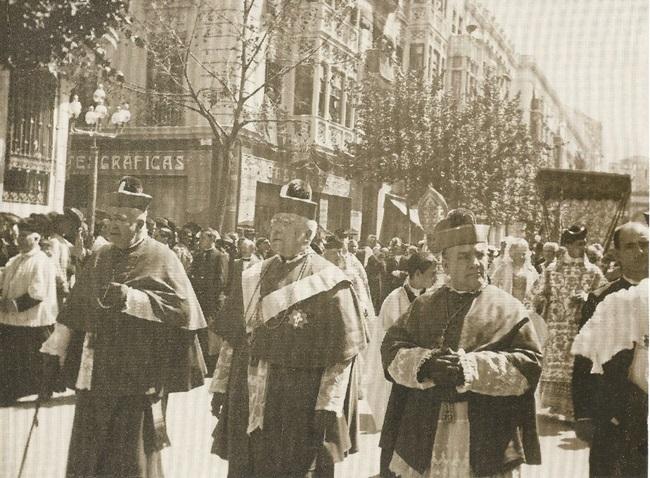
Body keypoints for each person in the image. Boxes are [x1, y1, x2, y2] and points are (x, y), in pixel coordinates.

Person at [39, 176, 207, 477]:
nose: (112, 225)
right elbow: (76, 307)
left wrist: (134, 299)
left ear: (140, 224)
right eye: (110, 218)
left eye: (121, 219)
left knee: (130, 456)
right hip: (95, 372)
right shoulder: (100, 255)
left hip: (138, 375)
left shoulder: (163, 257)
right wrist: (55, 351)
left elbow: (183, 311)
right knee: (89, 451)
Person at [210, 179, 367, 478]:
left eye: (285, 222)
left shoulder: (330, 281)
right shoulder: (253, 274)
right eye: (274, 222)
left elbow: (341, 356)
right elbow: (233, 339)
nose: (275, 229)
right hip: (247, 397)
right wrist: (220, 387)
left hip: (297, 404)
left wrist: (328, 404)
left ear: (307, 234)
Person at [380, 209, 542, 477]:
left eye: (480, 255)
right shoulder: (423, 305)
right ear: (445, 264)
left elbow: (530, 365)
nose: (475, 263)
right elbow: (391, 351)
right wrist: (426, 364)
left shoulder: (509, 309)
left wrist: (471, 368)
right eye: (464, 256)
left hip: (487, 433)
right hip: (425, 430)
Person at [571, 221, 648, 477]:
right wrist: (583, 414)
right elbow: (584, 359)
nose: (640, 251)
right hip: (616, 410)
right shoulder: (602, 298)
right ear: (616, 254)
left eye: (645, 244)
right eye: (630, 246)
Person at [530, 225, 605, 420]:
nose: (584, 247)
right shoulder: (552, 270)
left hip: (581, 328)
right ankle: (556, 407)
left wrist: (588, 296)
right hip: (557, 327)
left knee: (577, 367)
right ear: (568, 245)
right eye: (580, 243)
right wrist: (542, 302)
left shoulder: (593, 271)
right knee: (557, 366)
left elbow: (606, 296)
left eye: (585, 243)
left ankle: (576, 409)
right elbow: (536, 293)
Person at [366, 252, 437, 445]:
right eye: (431, 274)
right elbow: (390, 336)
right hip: (401, 366)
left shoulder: (434, 297)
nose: (435, 278)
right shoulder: (394, 299)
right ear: (416, 273)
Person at [0, 217, 59, 406]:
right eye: (19, 235)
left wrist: (13, 305)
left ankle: (32, 391)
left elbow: (38, 294)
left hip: (32, 320)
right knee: (10, 358)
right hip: (11, 319)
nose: (19, 239)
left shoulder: (41, 261)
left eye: (24, 236)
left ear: (36, 238)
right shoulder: (14, 260)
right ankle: (9, 391)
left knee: (31, 360)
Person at [190, 228, 229, 372]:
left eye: (203, 238)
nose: (200, 241)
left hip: (212, 301)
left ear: (212, 239)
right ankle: (201, 364)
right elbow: (192, 275)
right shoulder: (199, 256)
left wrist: (210, 295)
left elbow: (221, 280)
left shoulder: (219, 256)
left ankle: (212, 364)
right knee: (200, 331)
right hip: (199, 300)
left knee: (212, 333)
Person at [491, 237, 539, 303]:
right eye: (518, 254)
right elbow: (493, 284)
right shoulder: (504, 268)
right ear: (512, 254)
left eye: (523, 254)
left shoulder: (530, 269)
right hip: (509, 303)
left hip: (525, 304)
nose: (521, 257)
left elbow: (537, 285)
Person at [366, 247, 388, 315]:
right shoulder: (372, 259)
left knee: (379, 296)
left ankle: (377, 311)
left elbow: (384, 272)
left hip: (379, 281)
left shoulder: (382, 261)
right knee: (373, 295)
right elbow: (368, 269)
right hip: (373, 280)